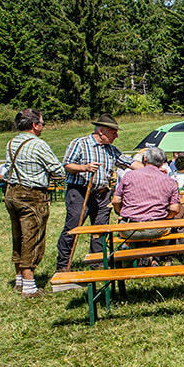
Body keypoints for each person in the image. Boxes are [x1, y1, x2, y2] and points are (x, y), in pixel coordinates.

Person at [50, 115, 126, 281]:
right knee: (73, 227)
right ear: (101, 131)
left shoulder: (111, 150)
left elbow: (129, 163)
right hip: (80, 192)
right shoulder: (80, 143)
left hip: (102, 193)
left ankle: (97, 261)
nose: (116, 136)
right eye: (113, 132)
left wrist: (151, 169)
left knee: (100, 229)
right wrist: (84, 167)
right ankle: (63, 265)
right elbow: (67, 166)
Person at [2, 109, 65, 296]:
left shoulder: (11, 142)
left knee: (18, 236)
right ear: (34, 125)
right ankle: (29, 286)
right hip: (32, 195)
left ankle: (19, 280)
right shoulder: (38, 145)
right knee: (32, 238)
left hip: (11, 192)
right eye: (42, 123)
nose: (42, 127)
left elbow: (7, 169)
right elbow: (58, 171)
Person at [112, 146, 184, 241]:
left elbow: (115, 200)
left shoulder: (129, 176)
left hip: (129, 229)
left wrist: (121, 212)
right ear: (163, 162)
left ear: (145, 159)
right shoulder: (170, 181)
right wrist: (167, 217)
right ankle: (161, 254)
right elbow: (174, 209)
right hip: (157, 229)